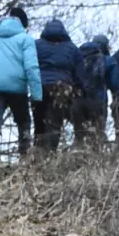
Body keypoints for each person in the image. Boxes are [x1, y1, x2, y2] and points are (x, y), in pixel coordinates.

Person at [0, 7, 42, 158]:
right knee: (23, 122)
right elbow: (31, 67)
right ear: (24, 25)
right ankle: (24, 157)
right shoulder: (26, 39)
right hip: (16, 87)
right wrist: (36, 95)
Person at [32, 19, 78, 150]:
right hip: (61, 89)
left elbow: (30, 65)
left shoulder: (36, 45)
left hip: (39, 88)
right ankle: (50, 154)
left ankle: (37, 154)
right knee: (55, 123)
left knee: (39, 123)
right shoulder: (72, 48)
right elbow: (79, 72)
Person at [72, 35, 112, 146]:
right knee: (97, 137)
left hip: (78, 102)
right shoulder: (106, 60)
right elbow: (115, 83)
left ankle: (77, 160)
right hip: (98, 102)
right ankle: (95, 160)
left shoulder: (77, 59)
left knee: (79, 136)